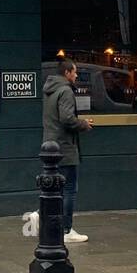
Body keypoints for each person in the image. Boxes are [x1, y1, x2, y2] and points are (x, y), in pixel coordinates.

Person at [42, 58, 93, 243]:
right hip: (64, 146)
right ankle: (66, 229)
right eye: (75, 71)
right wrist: (83, 124)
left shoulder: (50, 90)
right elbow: (67, 119)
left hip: (50, 146)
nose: (77, 75)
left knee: (54, 188)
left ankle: (42, 217)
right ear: (67, 73)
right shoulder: (65, 91)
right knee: (69, 188)